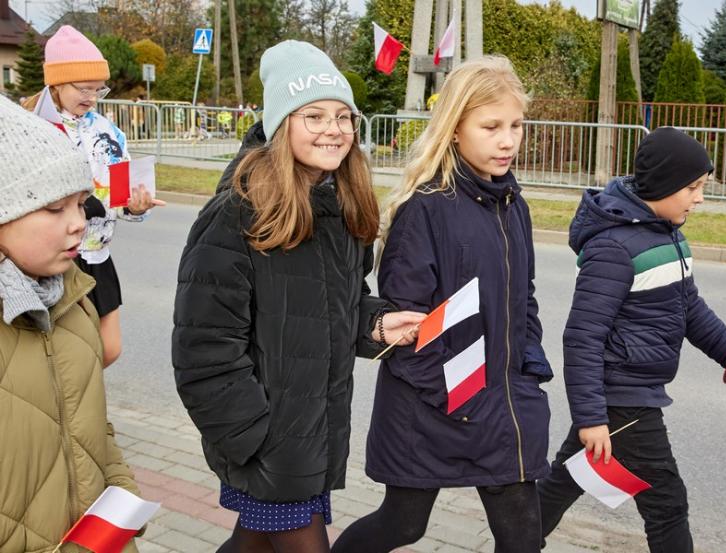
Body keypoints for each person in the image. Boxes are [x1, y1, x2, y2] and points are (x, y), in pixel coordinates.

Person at [171, 40, 425, 553]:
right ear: (279, 124)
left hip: (309, 435)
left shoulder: (340, 203)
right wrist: (255, 436)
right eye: (314, 115)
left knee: (252, 546)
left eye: (343, 116)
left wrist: (378, 325)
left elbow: (336, 305)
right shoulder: (237, 213)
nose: (334, 129)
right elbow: (203, 349)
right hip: (269, 442)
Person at [331, 56, 553, 553]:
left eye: (516, 125)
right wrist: (464, 397)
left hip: (502, 406)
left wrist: (528, 371)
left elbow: (524, 300)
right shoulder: (425, 209)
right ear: (454, 129)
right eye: (491, 127)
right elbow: (408, 329)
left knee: (523, 537)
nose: (507, 140)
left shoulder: (513, 205)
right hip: (432, 407)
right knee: (403, 525)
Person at [538, 127, 726, 553]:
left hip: (627, 393)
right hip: (624, 397)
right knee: (667, 505)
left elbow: (689, 308)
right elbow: (583, 337)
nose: (700, 198)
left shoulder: (668, 234)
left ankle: (516, 537)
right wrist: (591, 418)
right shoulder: (614, 248)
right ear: (662, 185)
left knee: (564, 482)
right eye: (692, 188)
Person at [0, 95, 141, 552]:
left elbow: (90, 419)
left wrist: (121, 489)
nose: (79, 223)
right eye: (54, 208)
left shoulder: (75, 297)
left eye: (81, 204)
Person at [22, 24, 165, 368]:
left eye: (98, 88)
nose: (91, 97)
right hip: (51, 259)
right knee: (58, 357)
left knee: (108, 349)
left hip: (97, 255)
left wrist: (135, 207)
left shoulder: (108, 131)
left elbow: (120, 195)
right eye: (83, 88)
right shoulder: (31, 126)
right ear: (56, 83)